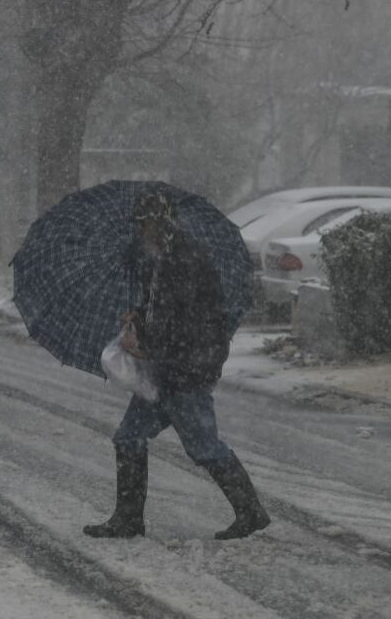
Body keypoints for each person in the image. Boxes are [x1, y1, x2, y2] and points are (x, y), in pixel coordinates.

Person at [83, 187, 270, 541]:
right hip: (164, 372)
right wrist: (137, 318)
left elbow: (185, 323)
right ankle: (128, 519)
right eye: (138, 225)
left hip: (185, 373)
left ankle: (251, 512)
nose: (140, 231)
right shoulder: (159, 259)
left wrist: (146, 343)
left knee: (204, 446)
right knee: (129, 437)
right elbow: (161, 313)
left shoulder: (185, 260)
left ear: (161, 223)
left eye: (145, 224)